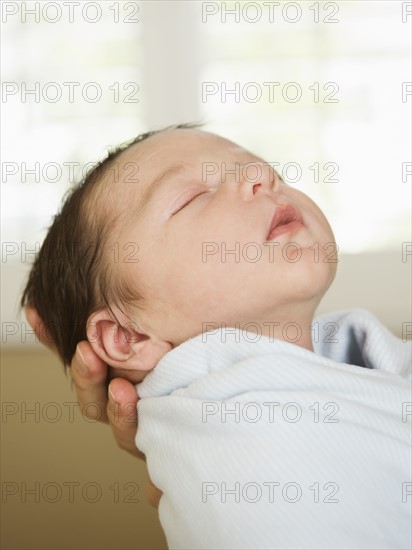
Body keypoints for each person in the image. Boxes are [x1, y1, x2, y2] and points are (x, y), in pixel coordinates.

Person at [23, 125, 411, 549]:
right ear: (127, 334)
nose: (259, 176)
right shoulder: (245, 463)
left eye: (255, 165)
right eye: (192, 197)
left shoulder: (362, 360)